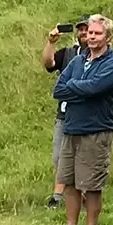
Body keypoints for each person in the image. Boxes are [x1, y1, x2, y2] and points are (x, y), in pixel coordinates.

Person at [53, 13, 113, 225]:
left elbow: (96, 87)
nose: (92, 37)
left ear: (108, 36)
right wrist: (81, 89)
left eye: (97, 33)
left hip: (96, 130)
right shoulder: (77, 60)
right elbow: (58, 90)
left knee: (92, 184)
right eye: (90, 33)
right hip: (71, 128)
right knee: (70, 182)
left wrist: (75, 87)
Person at [42, 18, 90, 206]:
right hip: (64, 114)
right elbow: (48, 63)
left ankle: (83, 195)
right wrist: (51, 42)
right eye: (81, 29)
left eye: (88, 29)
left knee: (84, 158)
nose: (84, 33)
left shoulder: (101, 57)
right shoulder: (69, 53)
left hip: (87, 116)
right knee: (59, 157)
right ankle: (59, 196)